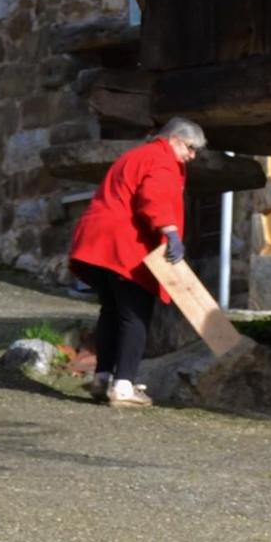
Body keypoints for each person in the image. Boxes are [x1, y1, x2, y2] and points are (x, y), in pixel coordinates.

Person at [69, 116, 206, 407]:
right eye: (191, 148)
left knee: (111, 311)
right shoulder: (164, 159)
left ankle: (102, 377)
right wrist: (171, 232)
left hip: (96, 242)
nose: (192, 156)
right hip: (124, 247)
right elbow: (153, 197)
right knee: (135, 315)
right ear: (175, 140)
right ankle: (123, 386)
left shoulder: (134, 155)